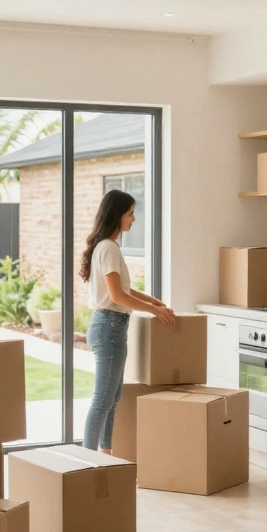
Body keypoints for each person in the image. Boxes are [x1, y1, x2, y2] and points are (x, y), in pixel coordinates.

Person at [79, 189, 174, 453]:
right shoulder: (108, 248)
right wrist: (153, 311)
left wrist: (153, 302)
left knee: (112, 398)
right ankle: (86, 462)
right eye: (130, 213)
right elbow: (117, 295)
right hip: (109, 326)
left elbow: (126, 291)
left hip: (110, 326)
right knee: (103, 400)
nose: (133, 219)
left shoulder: (107, 246)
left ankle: (105, 456)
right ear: (117, 215)